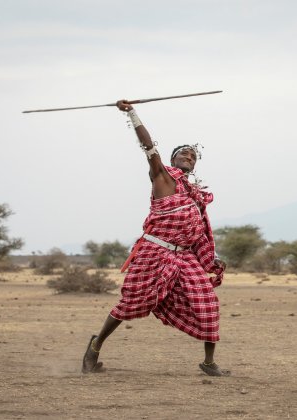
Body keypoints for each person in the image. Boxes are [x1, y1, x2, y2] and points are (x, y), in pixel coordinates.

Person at [82, 99, 228, 376]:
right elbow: (148, 147)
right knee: (130, 304)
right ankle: (95, 347)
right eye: (183, 154)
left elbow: (197, 233)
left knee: (207, 302)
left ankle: (209, 363)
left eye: (193, 156)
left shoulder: (194, 196)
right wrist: (132, 113)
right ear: (170, 160)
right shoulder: (162, 178)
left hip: (184, 257)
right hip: (155, 253)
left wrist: (213, 257)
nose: (189, 157)